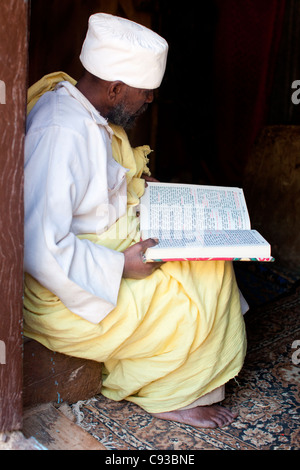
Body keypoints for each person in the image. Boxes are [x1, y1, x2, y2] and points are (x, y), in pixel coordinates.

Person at [24, 13, 247, 429]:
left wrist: (145, 190)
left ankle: (182, 376)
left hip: (97, 247)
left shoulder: (80, 104)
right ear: (115, 88)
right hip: (63, 288)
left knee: (212, 262)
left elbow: (96, 187)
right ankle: (169, 393)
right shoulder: (61, 134)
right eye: (145, 94)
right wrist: (121, 266)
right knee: (189, 299)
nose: (149, 102)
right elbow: (39, 247)